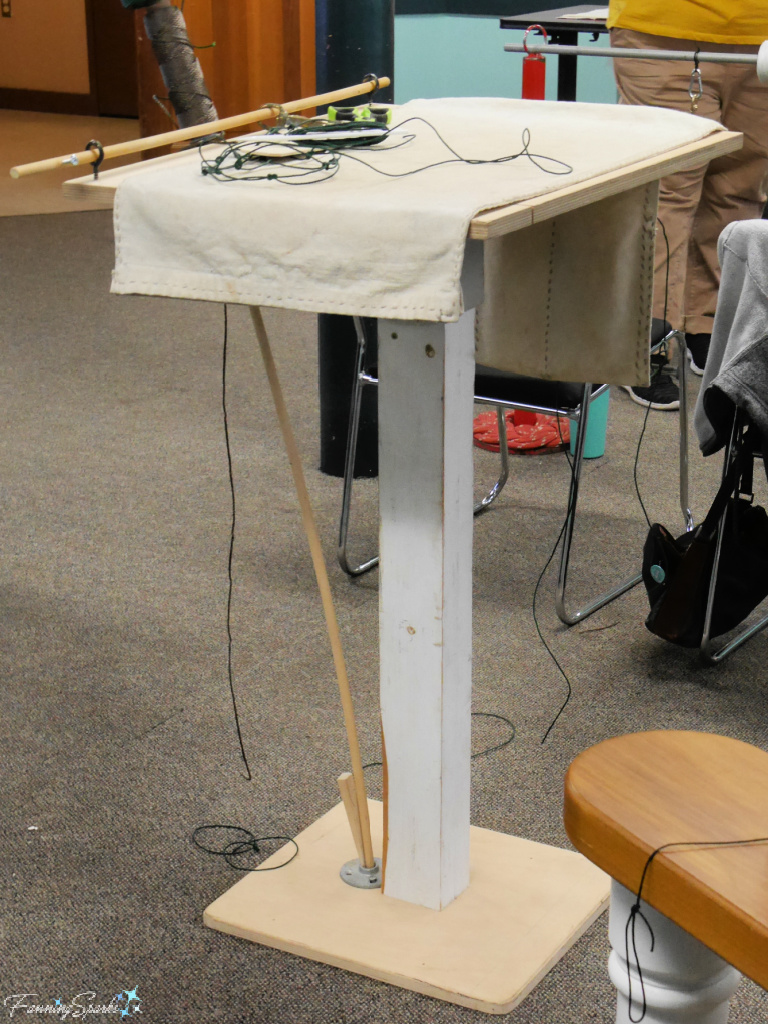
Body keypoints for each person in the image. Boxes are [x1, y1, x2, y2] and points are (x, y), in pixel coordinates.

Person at [606, 0, 768, 410]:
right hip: (665, 29)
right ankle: (646, 346)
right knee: (665, 196)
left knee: (739, 190)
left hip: (759, 38)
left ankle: (706, 327)